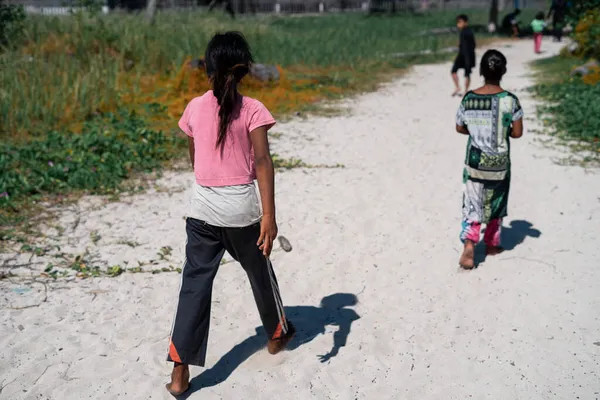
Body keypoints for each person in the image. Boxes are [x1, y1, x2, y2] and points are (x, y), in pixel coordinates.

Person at [165, 32, 295, 396]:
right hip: (241, 212)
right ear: (244, 71)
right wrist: (268, 215)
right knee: (260, 271)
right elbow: (264, 162)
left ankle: (179, 373)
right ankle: (275, 335)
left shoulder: (193, 107)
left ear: (206, 69)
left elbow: (195, 160)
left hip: (202, 211)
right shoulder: (253, 108)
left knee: (194, 286)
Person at [455, 49, 524, 269]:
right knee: (496, 201)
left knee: (472, 203)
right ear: (503, 71)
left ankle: (469, 244)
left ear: (481, 71)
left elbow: (459, 127)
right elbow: (517, 133)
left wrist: (476, 132)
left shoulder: (469, 98)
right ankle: (492, 244)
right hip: (499, 164)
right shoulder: (511, 101)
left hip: (475, 162)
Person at [451, 14, 477, 97]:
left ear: (466, 22)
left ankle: (464, 90)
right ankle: (459, 88)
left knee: (466, 73)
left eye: (460, 22)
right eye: (457, 22)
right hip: (463, 54)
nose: (458, 24)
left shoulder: (467, 32)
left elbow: (471, 45)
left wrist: (468, 56)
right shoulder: (464, 31)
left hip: (467, 55)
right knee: (454, 71)